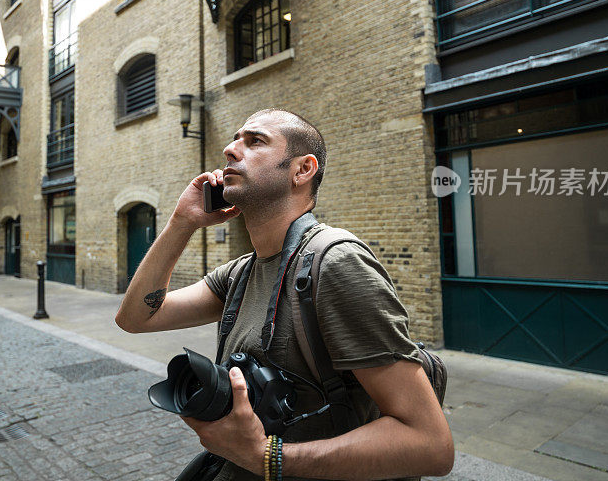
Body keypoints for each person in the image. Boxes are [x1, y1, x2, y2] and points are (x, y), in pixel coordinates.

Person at [115, 109, 454, 480]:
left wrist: (267, 456)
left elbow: (429, 445)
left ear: (302, 170)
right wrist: (182, 223)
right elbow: (136, 318)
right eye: (234, 139)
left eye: (254, 141)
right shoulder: (240, 273)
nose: (229, 149)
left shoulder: (335, 263)